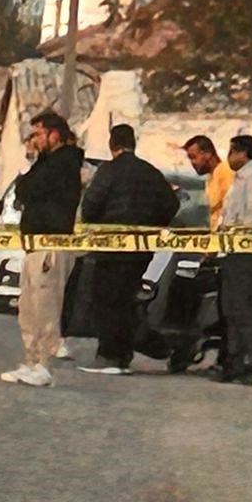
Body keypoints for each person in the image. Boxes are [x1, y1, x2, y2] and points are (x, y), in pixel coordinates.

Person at [76, 124, 179, 375]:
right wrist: (152, 226)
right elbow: (171, 203)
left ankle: (110, 355)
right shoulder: (150, 172)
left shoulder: (108, 171)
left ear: (112, 145)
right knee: (125, 301)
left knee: (106, 302)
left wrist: (97, 226)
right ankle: (125, 354)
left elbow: (90, 205)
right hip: (140, 251)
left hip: (111, 248)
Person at [1, 110, 83, 388]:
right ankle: (31, 361)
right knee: (29, 308)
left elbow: (31, 189)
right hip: (33, 245)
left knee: (45, 309)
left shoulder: (64, 163)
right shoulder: (45, 162)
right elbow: (22, 190)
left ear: (54, 134)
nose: (33, 140)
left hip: (50, 245)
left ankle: (44, 365)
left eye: (38, 134)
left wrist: (29, 176)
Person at [216, 134, 252, 387]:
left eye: (232, 152)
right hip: (232, 251)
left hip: (247, 251)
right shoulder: (240, 179)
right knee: (231, 307)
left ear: (242, 153)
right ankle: (234, 362)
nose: (229, 158)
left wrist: (236, 236)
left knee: (242, 307)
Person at [182, 135, 234, 230]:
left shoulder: (225, 171)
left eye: (193, 157)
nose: (192, 163)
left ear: (208, 154)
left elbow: (234, 206)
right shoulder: (211, 177)